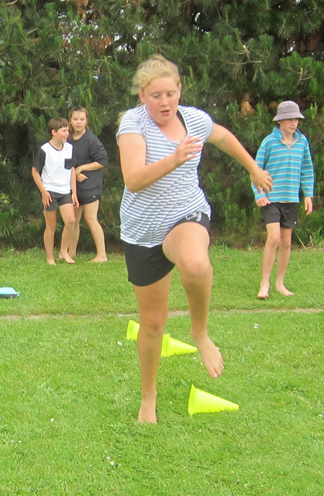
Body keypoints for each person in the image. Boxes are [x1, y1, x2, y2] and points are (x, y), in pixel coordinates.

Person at [117, 54, 271, 423]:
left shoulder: (194, 118)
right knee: (153, 324)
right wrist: (174, 157)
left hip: (186, 213)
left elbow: (222, 136)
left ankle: (200, 333)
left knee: (196, 263)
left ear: (180, 91)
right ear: (142, 95)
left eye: (171, 93)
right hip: (142, 231)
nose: (165, 102)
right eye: (156, 95)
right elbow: (133, 179)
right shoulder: (132, 124)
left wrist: (253, 168)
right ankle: (148, 398)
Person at [253, 100, 315, 299]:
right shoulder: (269, 142)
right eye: (289, 119)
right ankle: (265, 284)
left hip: (291, 199)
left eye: (296, 119)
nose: (293, 123)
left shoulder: (302, 142)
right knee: (273, 238)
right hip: (271, 198)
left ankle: (280, 283)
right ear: (280, 121)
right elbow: (256, 170)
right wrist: (259, 194)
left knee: (286, 242)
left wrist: (308, 194)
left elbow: (307, 169)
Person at [31, 117, 79, 265]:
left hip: (65, 190)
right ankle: (50, 257)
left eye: (67, 130)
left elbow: (71, 170)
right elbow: (34, 172)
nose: (67, 133)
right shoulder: (44, 150)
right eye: (64, 131)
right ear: (54, 132)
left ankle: (63, 252)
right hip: (49, 191)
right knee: (51, 225)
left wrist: (74, 192)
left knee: (71, 220)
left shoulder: (69, 148)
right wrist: (44, 192)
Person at [65, 107, 109, 262]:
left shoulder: (91, 139)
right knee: (73, 220)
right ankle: (71, 252)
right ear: (70, 120)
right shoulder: (67, 138)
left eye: (82, 119)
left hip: (91, 185)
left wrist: (81, 168)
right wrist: (74, 174)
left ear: (87, 121)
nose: (78, 122)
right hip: (74, 186)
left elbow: (102, 161)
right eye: (75, 119)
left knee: (90, 218)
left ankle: (102, 255)